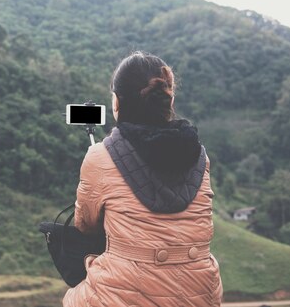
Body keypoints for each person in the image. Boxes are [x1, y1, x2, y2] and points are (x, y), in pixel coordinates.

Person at [62, 51, 223, 307]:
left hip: (124, 293)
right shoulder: (200, 155)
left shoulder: (100, 156)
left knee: (73, 299)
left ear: (117, 102)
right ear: (168, 101)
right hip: (201, 291)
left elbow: (85, 224)